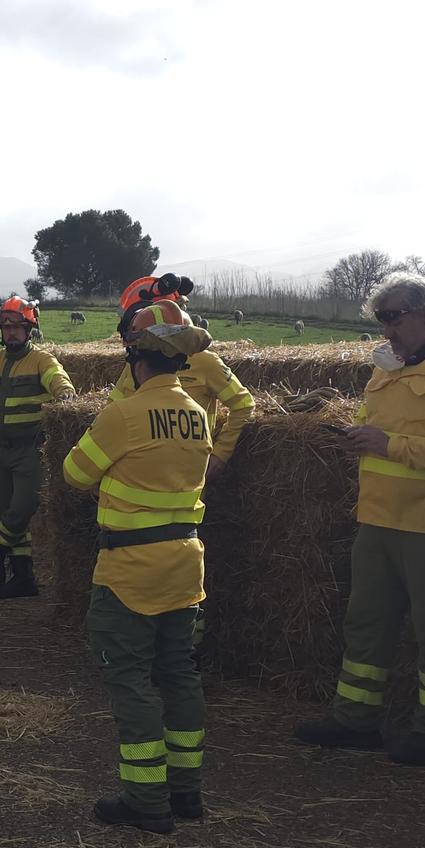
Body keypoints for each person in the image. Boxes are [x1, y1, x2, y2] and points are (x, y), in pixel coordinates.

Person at [63, 302, 214, 834]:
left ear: (136, 358)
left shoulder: (124, 413)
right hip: (185, 564)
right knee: (178, 673)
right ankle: (186, 792)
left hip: (130, 568)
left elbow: (75, 473)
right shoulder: (197, 414)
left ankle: (146, 800)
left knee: (129, 679)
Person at [294, 273, 425, 766]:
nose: (385, 330)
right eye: (380, 320)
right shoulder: (388, 370)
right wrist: (355, 434)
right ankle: (355, 720)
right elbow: (375, 423)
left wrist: (392, 446)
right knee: (366, 623)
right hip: (378, 517)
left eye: (393, 317)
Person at [108, 274, 255, 653]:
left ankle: (186, 649)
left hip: (187, 477)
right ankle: (153, 644)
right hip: (144, 475)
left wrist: (220, 455)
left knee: (184, 564)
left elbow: (243, 404)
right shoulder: (135, 364)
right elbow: (116, 408)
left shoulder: (204, 360)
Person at [0, 296, 75, 599]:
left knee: (23, 507)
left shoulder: (42, 361)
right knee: (4, 510)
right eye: (5, 327)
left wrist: (65, 398)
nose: (11, 332)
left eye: (17, 327)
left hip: (29, 449)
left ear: (30, 328)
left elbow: (60, 383)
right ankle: (23, 578)